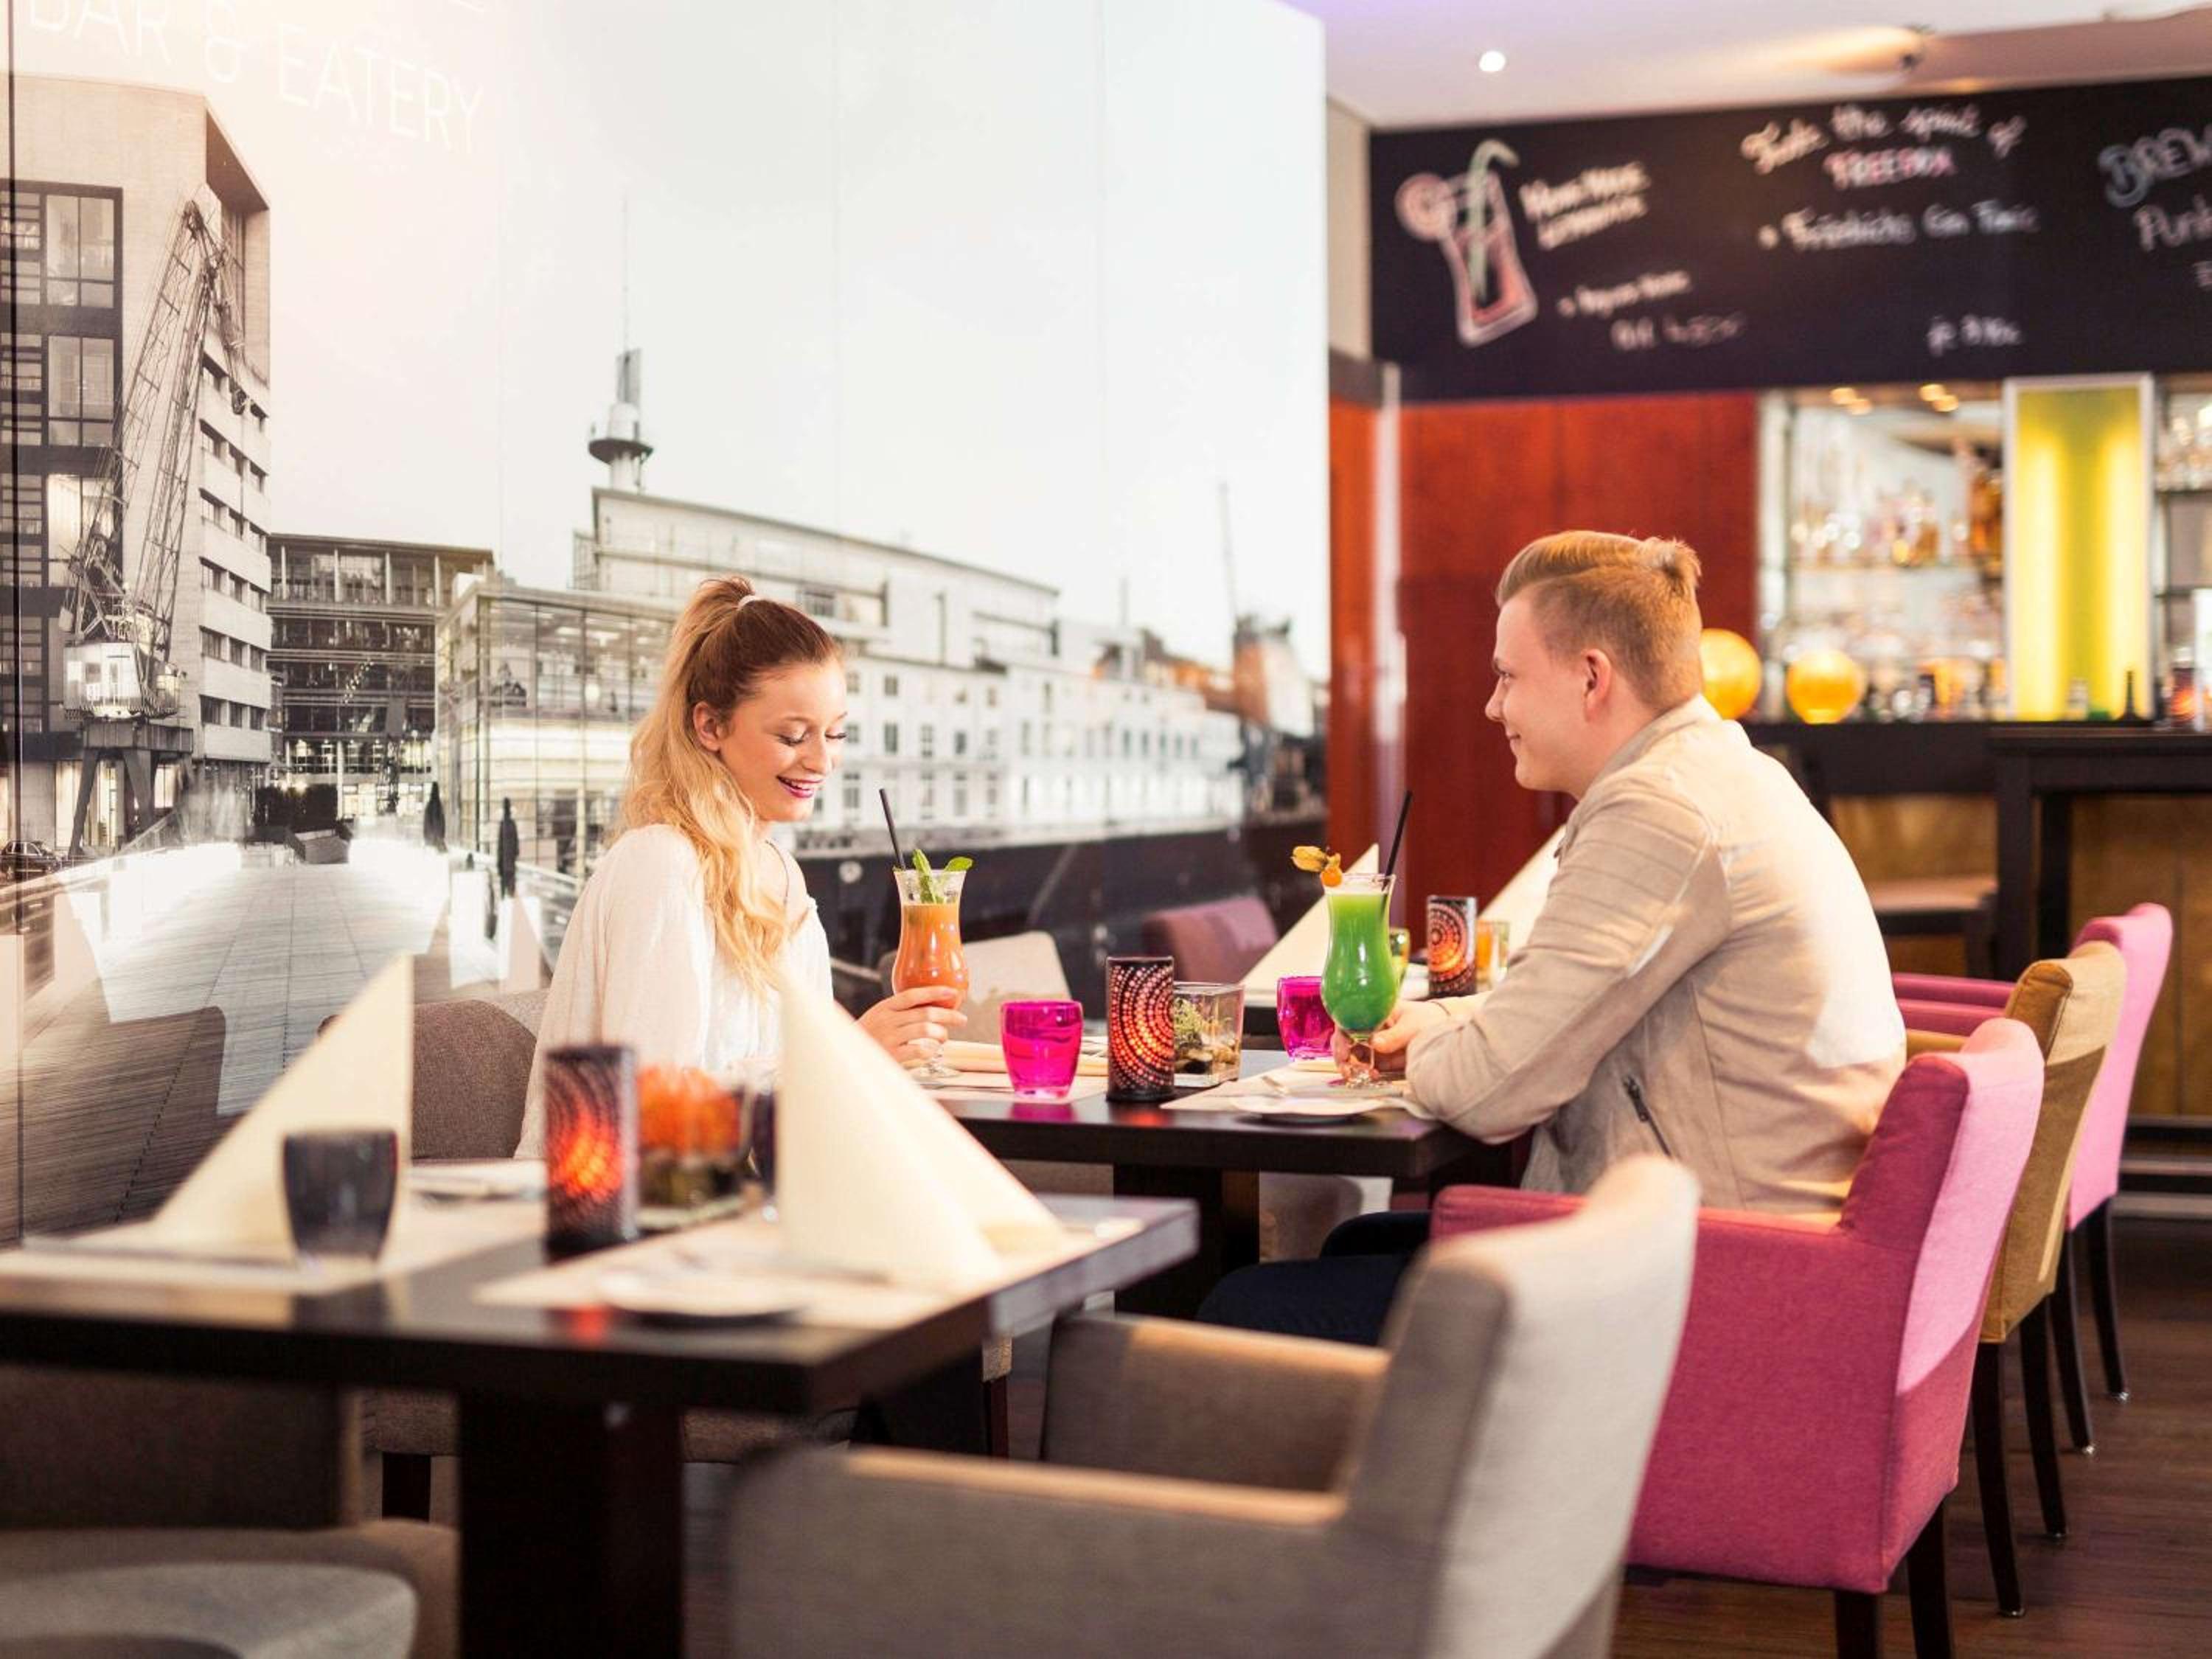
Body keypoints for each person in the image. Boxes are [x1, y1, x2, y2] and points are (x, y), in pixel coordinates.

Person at [1198, 531, 1906, 1343]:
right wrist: (1444, 1026)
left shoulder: (1660, 812)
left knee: (1240, 1310)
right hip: (1759, 1245)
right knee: (1356, 1247)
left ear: (1592, 678)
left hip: (1721, 1281)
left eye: (1508, 676)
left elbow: (1491, 1091)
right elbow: (1556, 1017)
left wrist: (1437, 1049)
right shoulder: (1723, 774)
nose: (1493, 706)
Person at [517, 577, 963, 1155]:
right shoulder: (662, 865)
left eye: (835, 733)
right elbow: (655, 1115)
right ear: (710, 726)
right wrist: (850, 1053)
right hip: (627, 1200)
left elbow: (798, 1096)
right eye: (793, 735)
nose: (823, 760)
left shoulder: (782, 876)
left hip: (757, 1187)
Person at [495, 799, 520, 899]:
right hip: (508, 858)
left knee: (506, 879)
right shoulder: (510, 824)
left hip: (506, 858)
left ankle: (506, 896)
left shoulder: (506, 824)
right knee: (509, 878)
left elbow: (501, 843)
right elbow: (515, 841)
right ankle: (508, 895)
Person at [422, 782, 446, 852]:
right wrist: (441, 835)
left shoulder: (430, 805)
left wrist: (426, 834)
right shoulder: (439, 805)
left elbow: (426, 821)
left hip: (431, 835)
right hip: (437, 835)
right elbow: (442, 821)